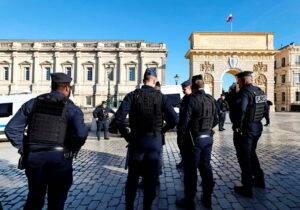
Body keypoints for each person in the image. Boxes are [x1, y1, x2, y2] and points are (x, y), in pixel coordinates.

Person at [4, 73, 88, 210]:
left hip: (35, 159)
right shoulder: (71, 108)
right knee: (56, 203)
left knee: (34, 200)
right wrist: (70, 148)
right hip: (59, 159)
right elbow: (81, 135)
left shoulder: (33, 103)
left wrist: (25, 147)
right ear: (67, 88)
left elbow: (11, 129)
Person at [115, 68, 178, 210]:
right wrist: (162, 131)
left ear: (143, 80)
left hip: (137, 140)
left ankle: (129, 206)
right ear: (154, 80)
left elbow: (118, 120)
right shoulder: (161, 97)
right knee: (150, 180)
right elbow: (174, 119)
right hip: (154, 142)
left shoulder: (132, 95)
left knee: (132, 178)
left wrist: (128, 137)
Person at [176, 74, 218, 209]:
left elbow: (184, 122)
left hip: (193, 140)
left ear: (193, 87)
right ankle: (207, 197)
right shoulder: (211, 99)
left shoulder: (190, 100)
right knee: (206, 167)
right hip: (208, 138)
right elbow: (216, 120)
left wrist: (181, 136)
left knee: (191, 170)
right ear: (203, 86)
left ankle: (189, 199)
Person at [232, 71, 267, 198]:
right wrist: (265, 120)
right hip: (257, 127)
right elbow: (266, 109)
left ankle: (247, 188)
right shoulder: (259, 91)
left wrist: (237, 125)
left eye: (239, 81)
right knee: (252, 154)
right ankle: (259, 180)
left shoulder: (244, 93)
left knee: (244, 157)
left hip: (246, 129)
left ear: (243, 81)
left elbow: (241, 109)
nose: (238, 84)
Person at [176, 80, 192, 169]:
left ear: (189, 88)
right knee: (180, 145)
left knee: (186, 147)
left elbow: (188, 116)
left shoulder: (192, 99)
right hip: (181, 126)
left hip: (187, 129)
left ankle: (187, 162)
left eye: (184, 89)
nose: (183, 91)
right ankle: (184, 160)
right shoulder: (185, 98)